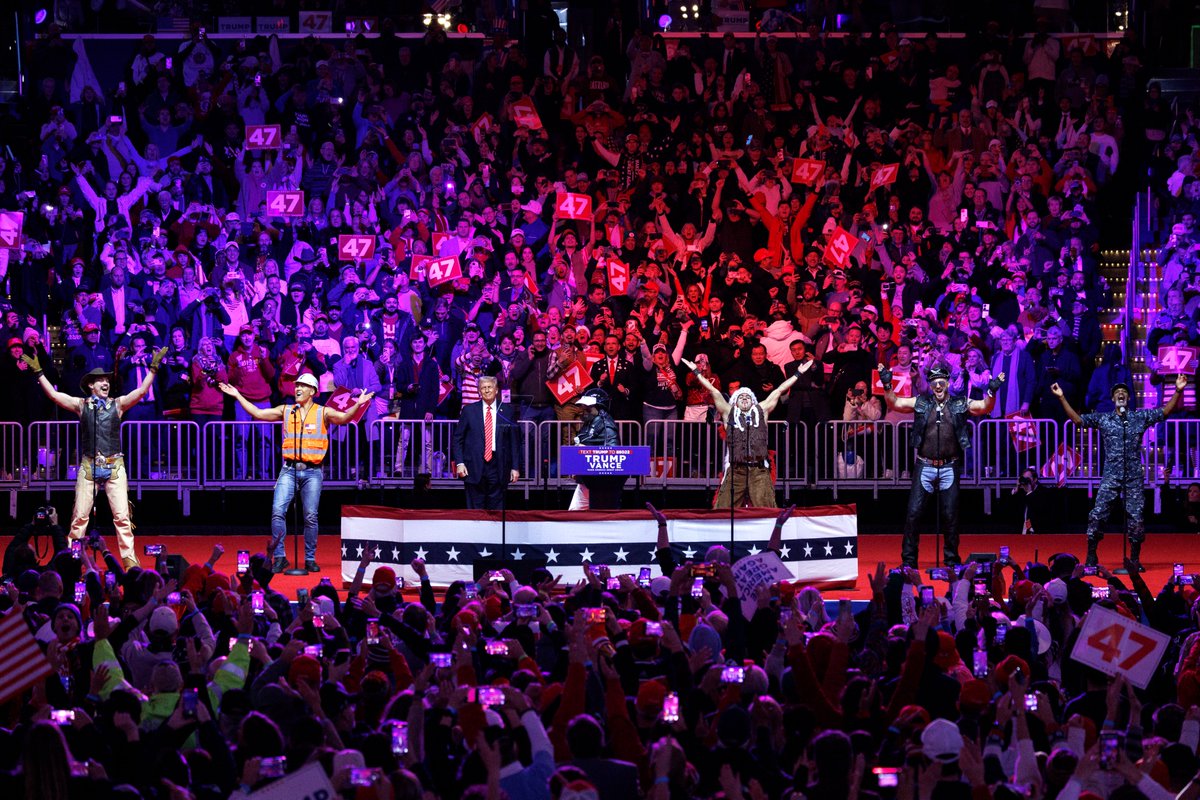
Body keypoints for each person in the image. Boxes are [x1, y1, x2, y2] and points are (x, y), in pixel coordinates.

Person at [23, 349, 166, 568]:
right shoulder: (81, 405)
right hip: (89, 466)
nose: (105, 383)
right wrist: (40, 373)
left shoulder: (118, 405)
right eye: (100, 380)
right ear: (91, 385)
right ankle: (70, 562)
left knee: (122, 518)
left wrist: (153, 370)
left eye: (107, 380)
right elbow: (53, 395)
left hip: (114, 467)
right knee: (79, 518)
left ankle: (130, 563)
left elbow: (140, 391)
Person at [219, 372, 373, 573]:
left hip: (313, 472)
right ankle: (280, 557)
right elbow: (258, 413)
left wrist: (358, 403)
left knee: (310, 516)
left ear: (313, 391)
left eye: (303, 386)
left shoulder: (323, 412)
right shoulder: (286, 410)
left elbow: (344, 418)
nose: (297, 389)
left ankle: (309, 558)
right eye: (296, 386)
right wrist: (238, 395)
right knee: (277, 512)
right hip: (288, 470)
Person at [1052, 375, 1188, 568]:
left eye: (1124, 392)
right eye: (1117, 392)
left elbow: (1164, 412)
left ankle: (1134, 558)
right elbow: (1078, 421)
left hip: (1133, 475)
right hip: (1111, 475)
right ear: (1113, 399)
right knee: (1097, 514)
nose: (1121, 394)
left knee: (1136, 517)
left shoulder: (1138, 418)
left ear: (1129, 399)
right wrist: (1061, 397)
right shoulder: (1105, 418)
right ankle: (1091, 554)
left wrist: (1178, 391)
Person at [880, 362, 1002, 567]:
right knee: (913, 513)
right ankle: (909, 562)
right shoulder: (921, 402)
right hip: (924, 465)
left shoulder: (959, 403)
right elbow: (894, 403)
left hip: (949, 466)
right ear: (929, 384)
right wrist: (886, 385)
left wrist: (991, 390)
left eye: (942, 382)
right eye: (935, 382)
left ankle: (952, 561)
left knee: (950, 515)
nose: (938, 386)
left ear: (948, 383)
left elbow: (984, 407)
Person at [682, 357, 800, 508]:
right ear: (735, 401)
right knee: (722, 510)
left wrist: (797, 374)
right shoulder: (729, 413)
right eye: (740, 397)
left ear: (753, 400)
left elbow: (778, 390)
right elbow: (713, 390)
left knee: (766, 510)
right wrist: (697, 372)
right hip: (736, 469)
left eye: (748, 397)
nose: (744, 399)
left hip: (758, 470)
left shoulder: (761, 412)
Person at [452, 375, 522, 510]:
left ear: (496, 390)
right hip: (473, 467)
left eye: (490, 387)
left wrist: (515, 467)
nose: (487, 390)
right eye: (483, 388)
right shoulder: (468, 411)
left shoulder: (507, 411)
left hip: (499, 466)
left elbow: (515, 441)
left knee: (496, 510)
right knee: (475, 510)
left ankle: (494, 532)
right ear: (479, 391)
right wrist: (460, 463)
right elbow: (458, 438)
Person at [568, 387, 622, 510]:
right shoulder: (589, 423)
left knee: (597, 518)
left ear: (599, 407)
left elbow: (612, 453)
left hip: (599, 484)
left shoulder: (607, 425)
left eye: (588, 407)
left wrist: (586, 450)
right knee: (573, 516)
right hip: (586, 481)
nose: (583, 410)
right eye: (583, 407)